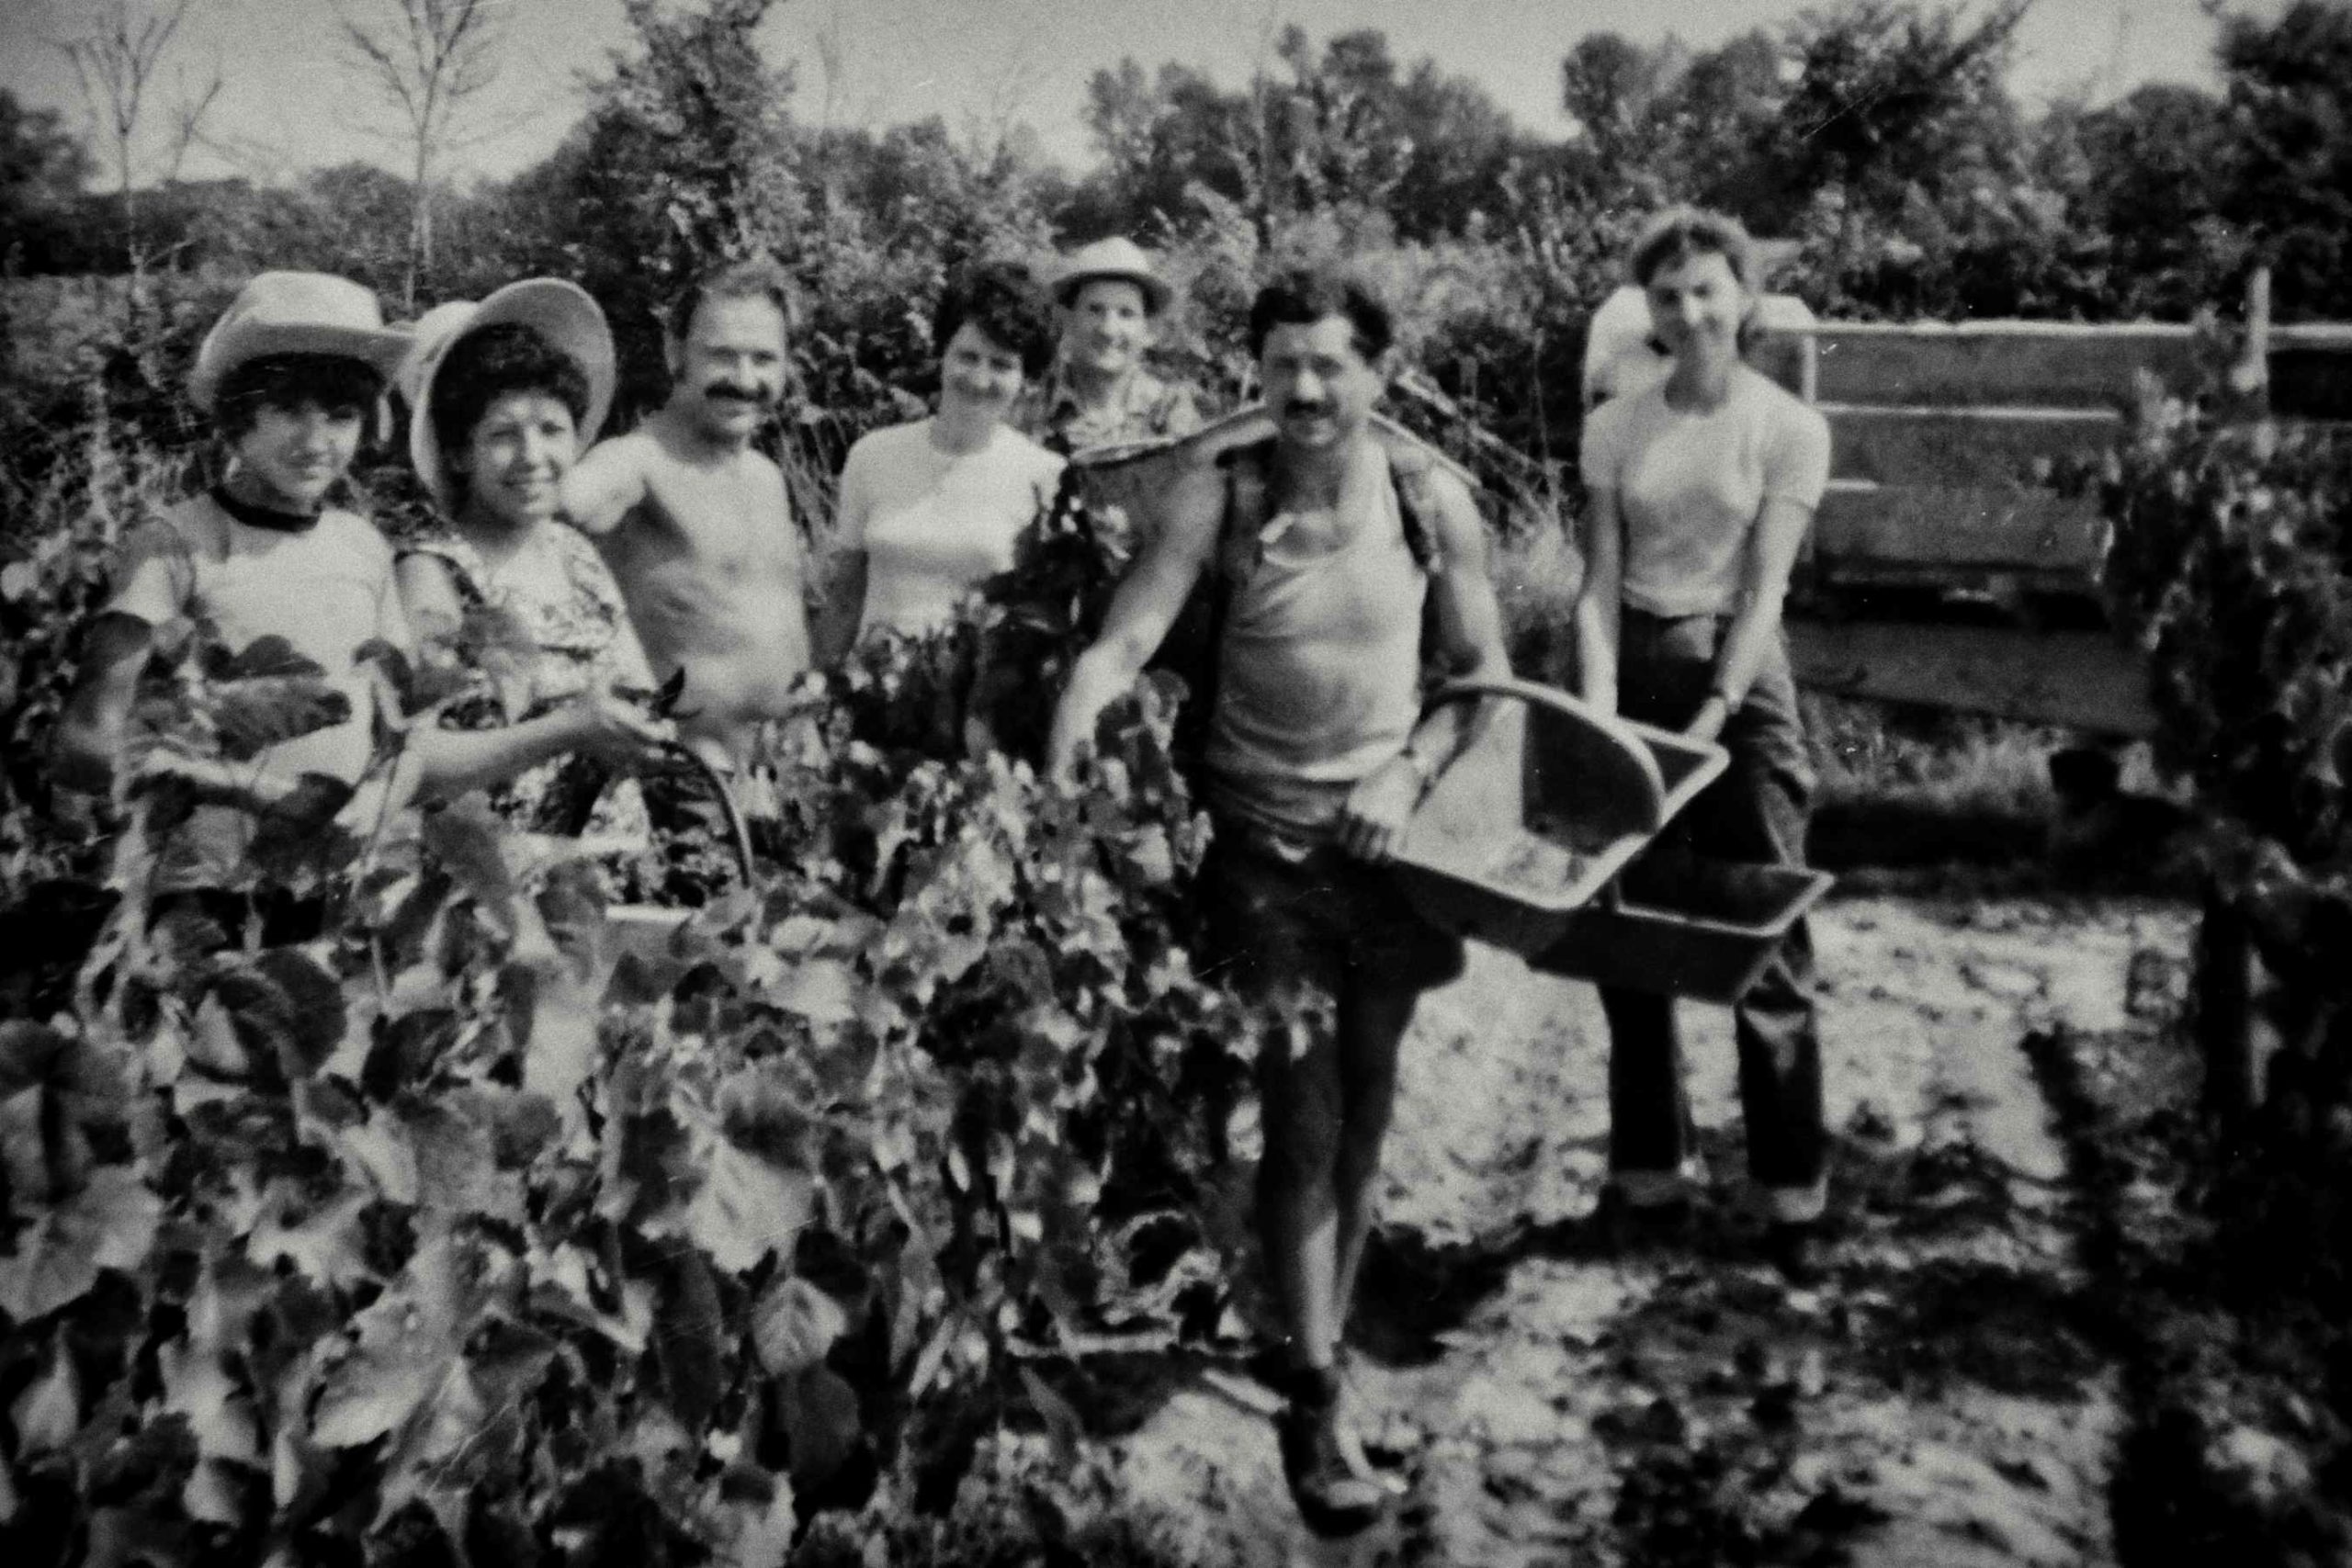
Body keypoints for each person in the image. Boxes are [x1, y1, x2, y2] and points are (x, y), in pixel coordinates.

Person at [1047, 267, 1510, 1536]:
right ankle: (1314, 1389)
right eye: (1283, 366)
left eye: (1331, 367)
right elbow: (1131, 630)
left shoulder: (1429, 499)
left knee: (1370, 1095)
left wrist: (1411, 772)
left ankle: (1319, 1316)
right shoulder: (1223, 488)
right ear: (1253, 373)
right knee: (1303, 1108)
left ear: (1377, 374)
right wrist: (1082, 705)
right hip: (1261, 850)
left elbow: (1481, 679)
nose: (1306, 391)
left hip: (1392, 852)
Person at [1572, 207, 1834, 1280]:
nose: (1689, 311)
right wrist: (1593, 707)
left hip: (1739, 676)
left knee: (1763, 930)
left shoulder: (1785, 427)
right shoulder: (1616, 424)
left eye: (1707, 290)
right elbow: (1596, 579)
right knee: (1622, 922)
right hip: (1629, 661)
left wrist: (1715, 716)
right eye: (1669, 295)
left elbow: (1765, 587)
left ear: (1743, 296)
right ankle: (1647, 1177)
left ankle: (1789, 1198)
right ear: (1650, 308)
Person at [54, 270, 419, 926]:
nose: (315, 442)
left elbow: (401, 725)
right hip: (198, 896)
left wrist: (379, 800)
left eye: (339, 415)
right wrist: (248, 791)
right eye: (288, 410)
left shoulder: (365, 547)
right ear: (237, 415)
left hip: (336, 891)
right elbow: (83, 743)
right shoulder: (178, 542)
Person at [393, 279, 673, 845]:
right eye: (502, 435)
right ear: (457, 453)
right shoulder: (432, 570)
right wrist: (568, 730)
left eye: (551, 430)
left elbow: (639, 693)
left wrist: (652, 732)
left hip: (606, 868)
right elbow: (412, 762)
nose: (533, 457)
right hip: (487, 884)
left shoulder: (576, 555)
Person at [560, 257, 811, 778]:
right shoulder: (636, 462)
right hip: (687, 782)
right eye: (722, 356)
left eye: (764, 359)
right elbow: (548, 505)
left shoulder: (768, 477)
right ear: (676, 353)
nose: (744, 380)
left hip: (787, 776)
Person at [824, 262, 1065, 651]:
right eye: (968, 357)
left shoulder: (1045, 476)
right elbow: (844, 603)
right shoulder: (872, 455)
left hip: (976, 700)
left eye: (1001, 365)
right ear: (942, 353)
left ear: (1027, 381)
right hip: (868, 693)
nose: (979, 379)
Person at [1025, 237, 1203, 457]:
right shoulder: (1034, 404)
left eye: (1126, 313)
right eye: (1095, 310)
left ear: (1148, 331)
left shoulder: (1168, 409)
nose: (1108, 330)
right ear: (1068, 321)